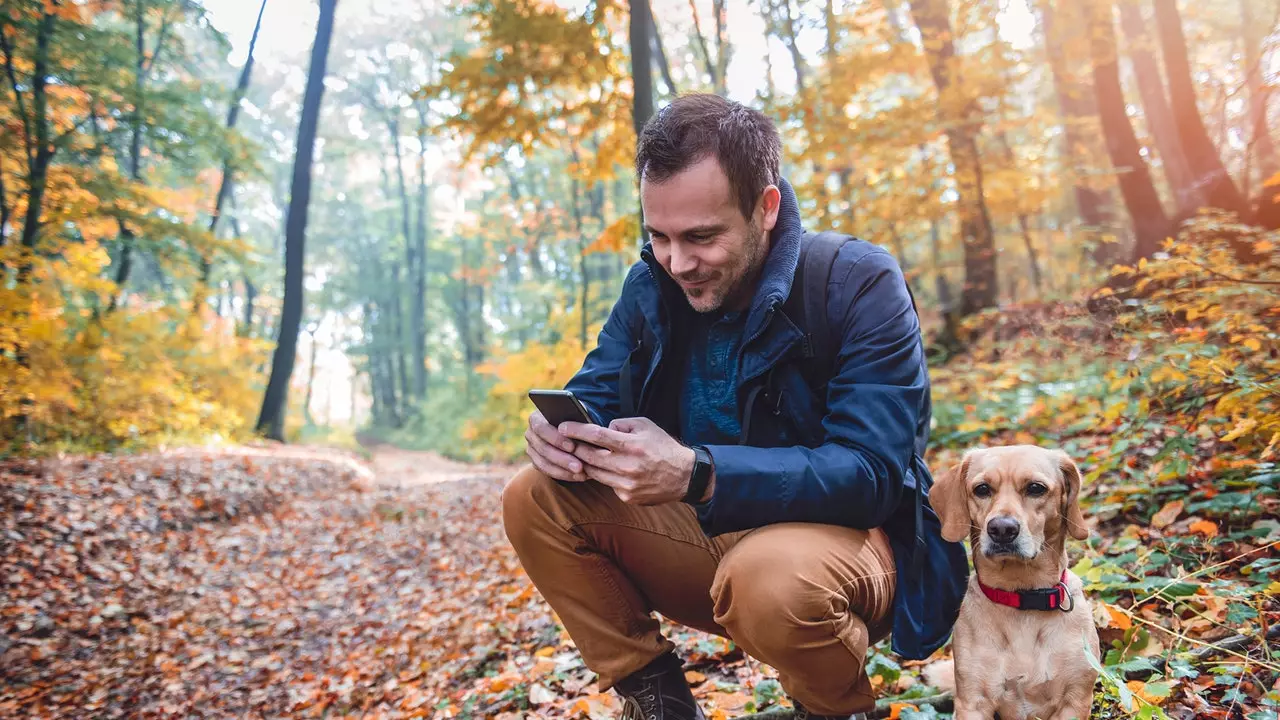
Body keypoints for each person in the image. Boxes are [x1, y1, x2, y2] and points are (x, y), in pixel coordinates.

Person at [502, 93, 967, 720]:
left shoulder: (856, 281)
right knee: (534, 497)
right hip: (711, 539)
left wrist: (699, 472)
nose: (678, 262)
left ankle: (834, 708)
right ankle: (659, 703)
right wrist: (562, 431)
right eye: (658, 237)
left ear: (766, 206)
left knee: (770, 578)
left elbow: (874, 475)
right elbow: (599, 387)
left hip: (855, 552)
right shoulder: (652, 285)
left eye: (701, 236)